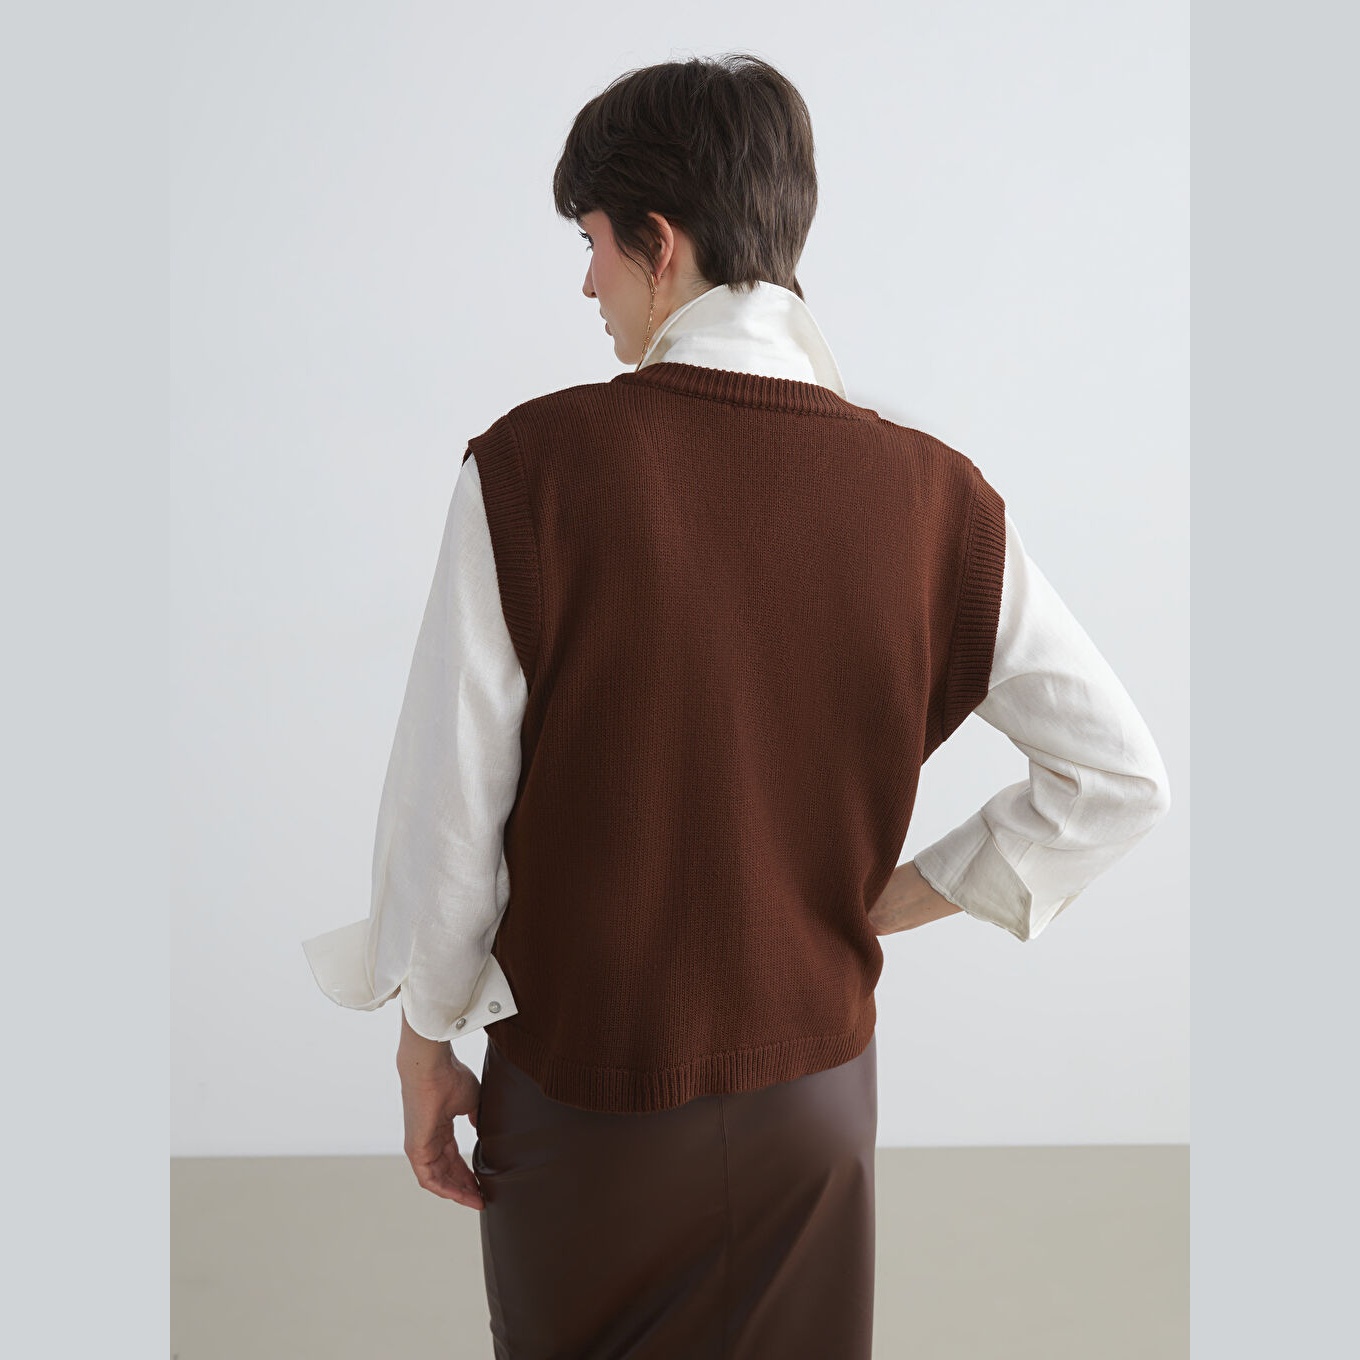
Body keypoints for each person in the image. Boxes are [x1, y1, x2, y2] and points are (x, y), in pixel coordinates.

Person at [302, 53, 1170, 1359]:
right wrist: (883, 901)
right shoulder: (937, 499)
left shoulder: (531, 470)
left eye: (592, 243)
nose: (586, 285)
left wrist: (426, 1042)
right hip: (812, 1102)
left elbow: (450, 816)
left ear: (661, 243)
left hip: (585, 1099)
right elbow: (1117, 778)